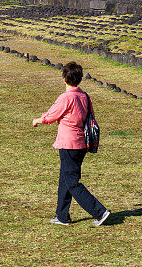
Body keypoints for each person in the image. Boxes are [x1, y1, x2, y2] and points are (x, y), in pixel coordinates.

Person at [32, 61, 110, 226]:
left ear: (64, 79)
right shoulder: (85, 97)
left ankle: (100, 212)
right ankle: (62, 215)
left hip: (69, 145)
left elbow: (52, 116)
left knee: (73, 183)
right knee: (65, 180)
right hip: (81, 144)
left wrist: (38, 120)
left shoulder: (66, 97)